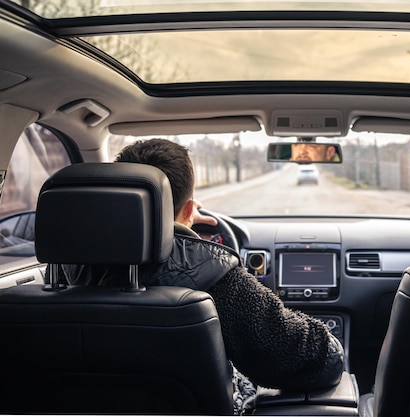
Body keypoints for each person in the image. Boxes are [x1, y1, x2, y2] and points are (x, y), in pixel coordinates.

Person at [56, 139, 344, 414]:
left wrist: (178, 224)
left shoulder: (63, 276)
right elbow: (316, 361)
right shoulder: (215, 276)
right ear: (188, 208)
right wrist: (189, 236)